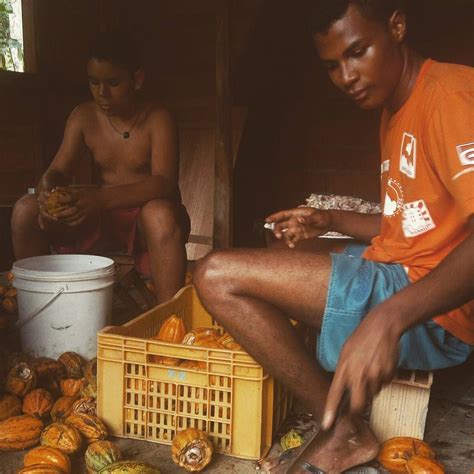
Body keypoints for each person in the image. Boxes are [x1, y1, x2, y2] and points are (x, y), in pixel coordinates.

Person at [193, 1, 474, 472]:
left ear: (397, 26)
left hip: (438, 311)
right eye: (332, 66)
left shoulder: (449, 97)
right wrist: (329, 220)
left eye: (357, 52)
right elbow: (410, 222)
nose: (347, 76)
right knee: (290, 245)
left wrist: (388, 318)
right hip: (404, 270)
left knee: (215, 274)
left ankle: (341, 426)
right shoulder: (396, 104)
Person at [11, 31, 190, 305]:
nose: (101, 93)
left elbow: (164, 183)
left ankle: (168, 319)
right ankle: (38, 307)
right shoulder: (83, 116)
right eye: (94, 82)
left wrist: (99, 198)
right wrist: (48, 193)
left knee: (160, 214)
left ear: (137, 80)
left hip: (143, 217)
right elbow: (57, 171)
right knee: (25, 209)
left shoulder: (157, 118)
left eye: (113, 82)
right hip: (100, 216)